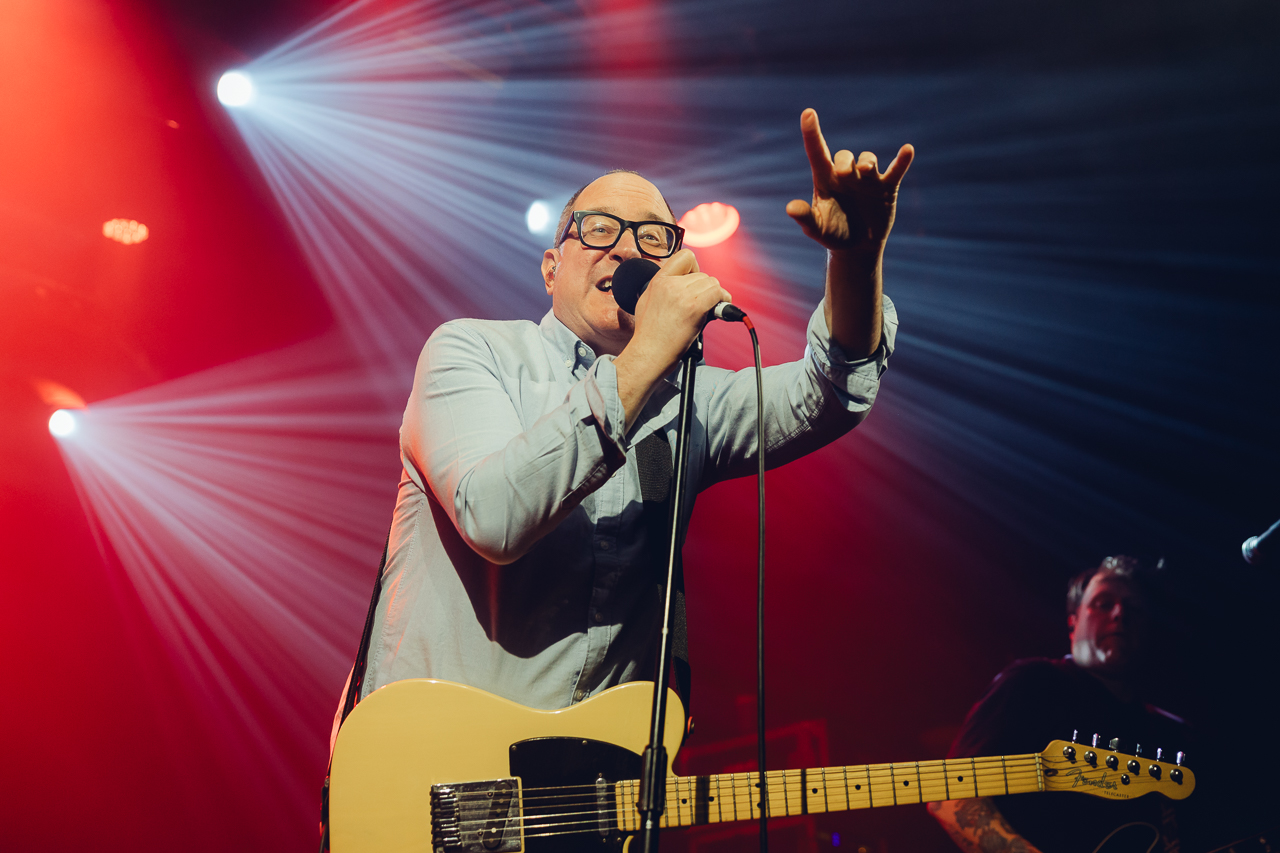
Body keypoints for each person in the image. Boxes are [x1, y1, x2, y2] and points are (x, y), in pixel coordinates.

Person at [338, 109, 914, 720]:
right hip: (428, 770)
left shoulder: (688, 400)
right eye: (599, 229)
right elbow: (494, 516)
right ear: (550, 267)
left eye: (652, 238)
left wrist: (855, 263)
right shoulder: (473, 351)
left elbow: (826, 395)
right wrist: (647, 352)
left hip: (589, 794)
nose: (625, 249)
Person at [929, 556, 1193, 853]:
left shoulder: (1171, 735)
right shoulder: (1034, 683)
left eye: (1135, 608)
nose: (1120, 614)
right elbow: (949, 792)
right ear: (1073, 622)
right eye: (1104, 603)